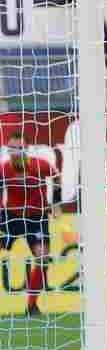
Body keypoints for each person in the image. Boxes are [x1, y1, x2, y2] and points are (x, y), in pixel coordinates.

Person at [0, 129, 61, 317]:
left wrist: (56, 204)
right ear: (8, 150)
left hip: (37, 218)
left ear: (27, 149)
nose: (17, 152)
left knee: (42, 258)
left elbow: (56, 178)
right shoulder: (4, 169)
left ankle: (32, 306)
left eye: (21, 148)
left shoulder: (41, 165)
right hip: (11, 216)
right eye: (13, 149)